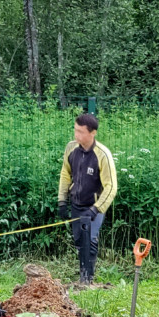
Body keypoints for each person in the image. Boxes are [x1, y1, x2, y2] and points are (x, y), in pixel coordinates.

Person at [57, 113, 117, 283]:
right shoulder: (71, 148)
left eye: (81, 132)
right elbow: (65, 174)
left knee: (90, 240)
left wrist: (96, 209)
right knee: (78, 240)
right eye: (75, 130)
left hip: (94, 207)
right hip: (76, 203)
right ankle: (83, 275)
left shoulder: (103, 154)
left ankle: (87, 281)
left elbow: (111, 187)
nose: (76, 135)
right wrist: (62, 201)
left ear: (93, 133)